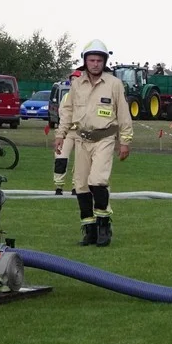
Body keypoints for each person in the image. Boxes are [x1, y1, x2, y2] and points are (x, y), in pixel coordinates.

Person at [53, 39, 134, 247]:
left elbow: (124, 115)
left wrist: (125, 141)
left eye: (99, 60)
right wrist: (60, 134)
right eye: (91, 60)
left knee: (97, 181)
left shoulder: (114, 84)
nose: (95, 64)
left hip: (105, 138)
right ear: (85, 61)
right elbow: (68, 111)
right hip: (81, 139)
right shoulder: (77, 83)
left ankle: (104, 224)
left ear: (104, 62)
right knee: (80, 185)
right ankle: (89, 229)